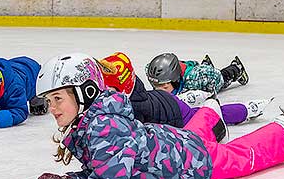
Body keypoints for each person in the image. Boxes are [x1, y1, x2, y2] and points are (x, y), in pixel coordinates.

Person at [19, 53, 284, 179]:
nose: (53, 108)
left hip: (190, 164)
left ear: (84, 93)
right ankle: (209, 113)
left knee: (238, 158)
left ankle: (282, 133)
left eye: (57, 99)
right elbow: (105, 170)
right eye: (49, 101)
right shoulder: (93, 122)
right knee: (196, 135)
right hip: (176, 145)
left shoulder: (102, 129)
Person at [98, 52, 271, 141]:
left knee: (212, 115)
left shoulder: (133, 106)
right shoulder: (133, 91)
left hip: (176, 112)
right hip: (166, 101)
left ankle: (248, 108)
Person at [146, 52, 248, 95]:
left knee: (222, 79)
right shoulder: (153, 74)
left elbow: (212, 92)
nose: (159, 91)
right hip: (191, 69)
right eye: (156, 86)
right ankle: (205, 65)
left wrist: (209, 94)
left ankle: (236, 68)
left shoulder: (193, 79)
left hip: (209, 76)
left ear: (175, 80)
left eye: (164, 87)